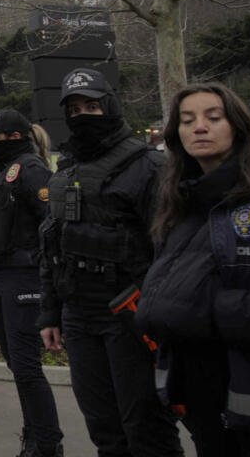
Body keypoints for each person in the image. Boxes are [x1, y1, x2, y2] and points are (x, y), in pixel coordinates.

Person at [138, 83, 250, 456]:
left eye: (213, 117)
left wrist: (206, 307)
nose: (199, 127)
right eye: (187, 120)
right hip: (204, 401)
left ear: (238, 126)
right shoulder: (179, 205)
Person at [37, 68, 183, 457]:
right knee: (104, 430)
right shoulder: (66, 170)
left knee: (147, 429)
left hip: (129, 315)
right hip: (78, 316)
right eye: (74, 109)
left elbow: (170, 252)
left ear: (110, 106)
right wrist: (50, 313)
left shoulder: (148, 165)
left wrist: (154, 313)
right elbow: (52, 246)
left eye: (92, 106)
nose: (82, 115)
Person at [0, 110, 64, 456]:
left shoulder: (31, 168)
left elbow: (52, 223)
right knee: (17, 365)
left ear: (14, 137)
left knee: (26, 367)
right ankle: (35, 436)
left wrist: (43, 271)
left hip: (22, 276)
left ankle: (48, 444)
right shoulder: (2, 171)